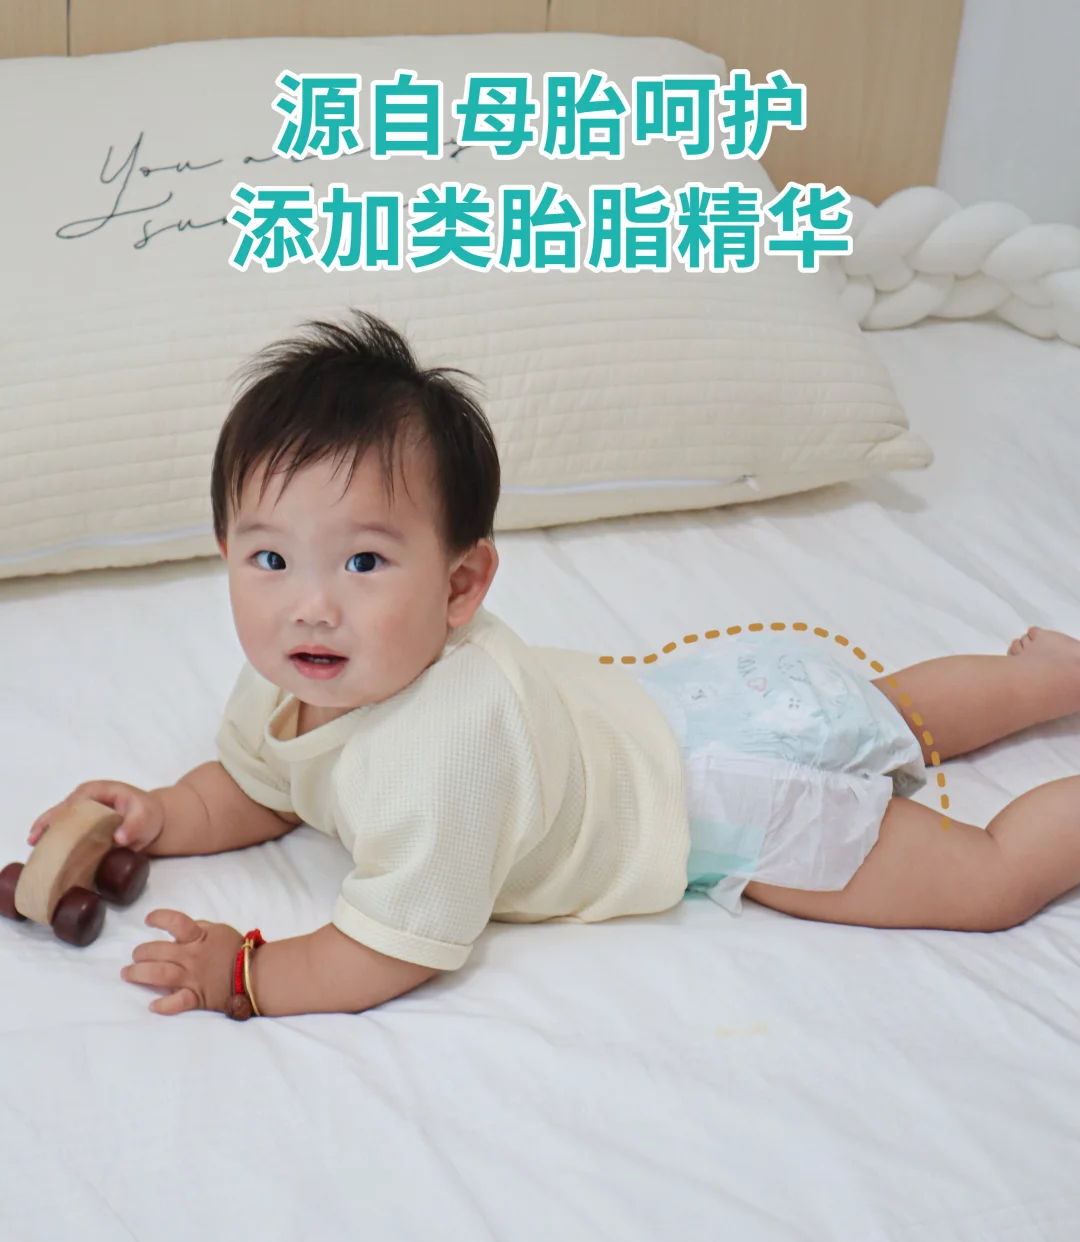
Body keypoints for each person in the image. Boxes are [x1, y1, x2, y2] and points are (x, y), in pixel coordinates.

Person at [26, 311, 1080, 1019]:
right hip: (708, 699)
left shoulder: (444, 749)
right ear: (227, 554)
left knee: (986, 878)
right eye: (269, 559)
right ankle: (1046, 678)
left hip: (734, 802)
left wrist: (249, 975)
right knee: (882, 706)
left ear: (461, 585)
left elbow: (394, 947)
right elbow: (262, 786)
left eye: (364, 561)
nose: (310, 602)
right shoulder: (293, 670)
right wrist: (165, 814)